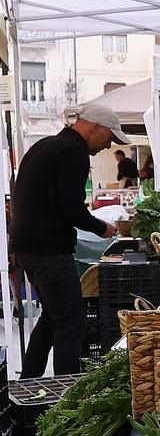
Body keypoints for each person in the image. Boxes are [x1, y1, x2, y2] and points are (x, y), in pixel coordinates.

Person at [13, 102, 125, 376]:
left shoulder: (46, 146)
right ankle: (67, 390)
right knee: (71, 322)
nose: (108, 146)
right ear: (95, 127)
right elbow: (72, 209)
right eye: (108, 137)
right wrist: (103, 229)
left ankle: (29, 380)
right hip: (49, 249)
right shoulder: (72, 152)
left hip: (29, 246)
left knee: (54, 317)